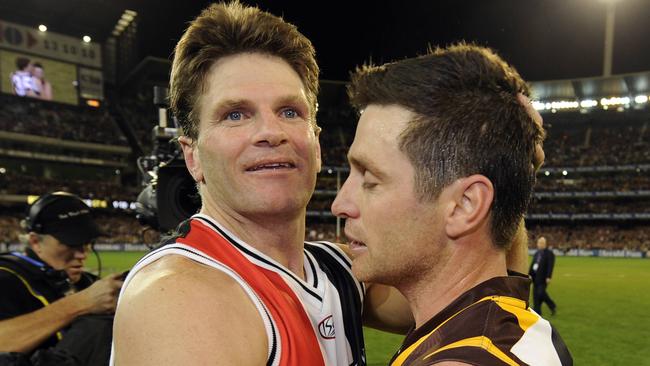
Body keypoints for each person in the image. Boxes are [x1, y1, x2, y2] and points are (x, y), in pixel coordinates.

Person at [111, 3, 413, 365]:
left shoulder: (339, 269)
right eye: (235, 114)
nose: (271, 132)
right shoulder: (176, 295)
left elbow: (463, 281)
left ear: (316, 145)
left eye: (289, 111)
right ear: (192, 157)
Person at [332, 44, 572, 365]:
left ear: (464, 206)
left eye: (370, 180)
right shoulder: (506, 326)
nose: (340, 204)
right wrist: (514, 168)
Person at [0, 192, 123, 365]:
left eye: (87, 243)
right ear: (35, 241)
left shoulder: (87, 282)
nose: (82, 254)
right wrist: (82, 303)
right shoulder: (6, 277)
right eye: (71, 243)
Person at [529, 236, 557, 316]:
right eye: (539, 243)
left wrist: (549, 276)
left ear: (545, 244)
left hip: (543, 278)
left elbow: (550, 266)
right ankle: (537, 311)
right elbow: (533, 265)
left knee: (541, 293)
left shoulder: (549, 253)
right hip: (535, 277)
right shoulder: (537, 253)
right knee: (535, 295)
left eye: (542, 243)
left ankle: (552, 305)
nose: (540, 244)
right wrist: (529, 274)